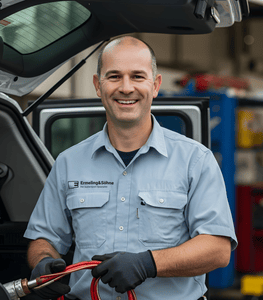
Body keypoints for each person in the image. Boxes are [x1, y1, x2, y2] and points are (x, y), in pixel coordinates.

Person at [24, 36, 237, 300]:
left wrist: (149, 263)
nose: (126, 88)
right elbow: (44, 238)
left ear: (155, 85)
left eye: (138, 76)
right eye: (114, 76)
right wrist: (43, 262)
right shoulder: (68, 163)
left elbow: (217, 249)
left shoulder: (196, 161)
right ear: (97, 86)